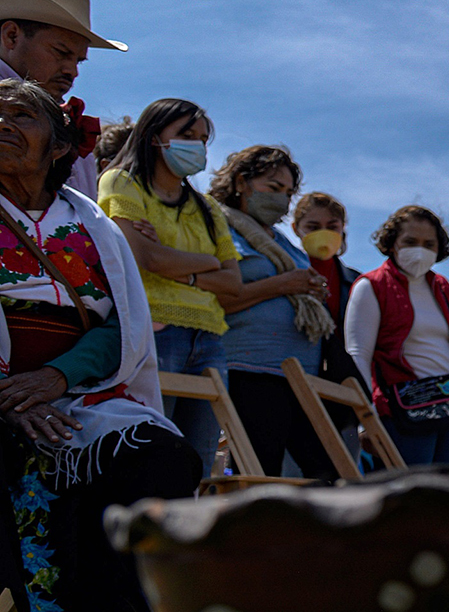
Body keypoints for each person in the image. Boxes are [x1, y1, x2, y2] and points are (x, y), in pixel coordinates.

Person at [0, 79, 199, 612]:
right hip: (7, 393)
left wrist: (55, 380)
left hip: (78, 387)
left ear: (59, 146)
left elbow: (126, 326)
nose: (3, 124)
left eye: (20, 115)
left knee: (155, 453)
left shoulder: (91, 226)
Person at [97, 99, 240, 474]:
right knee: (152, 457)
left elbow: (233, 284)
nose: (198, 146)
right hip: (153, 333)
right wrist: (208, 262)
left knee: (199, 461)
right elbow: (146, 259)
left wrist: (179, 264)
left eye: (203, 139)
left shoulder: (208, 208)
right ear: (153, 136)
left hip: (209, 341)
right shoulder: (120, 181)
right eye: (186, 135)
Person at [208, 146, 335, 479]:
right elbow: (215, 300)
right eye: (273, 187)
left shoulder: (283, 241)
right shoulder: (217, 227)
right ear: (241, 182)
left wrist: (310, 289)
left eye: (288, 192)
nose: (282, 199)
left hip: (300, 377)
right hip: (249, 371)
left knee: (325, 475)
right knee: (261, 475)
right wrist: (283, 285)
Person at [345, 205, 449, 467]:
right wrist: (366, 418)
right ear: (392, 243)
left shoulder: (442, 287)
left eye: (428, 244)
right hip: (401, 415)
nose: (420, 250)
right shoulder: (371, 287)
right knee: (411, 497)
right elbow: (358, 355)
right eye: (410, 241)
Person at [0, 0, 124, 199]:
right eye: (60, 52)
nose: (72, 71)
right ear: (11, 36)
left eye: (78, 61)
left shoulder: (68, 121)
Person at [292, 191, 364, 459]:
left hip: (343, 395)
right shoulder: (285, 274)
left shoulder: (357, 283)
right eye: (313, 227)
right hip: (294, 387)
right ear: (296, 229)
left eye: (332, 227)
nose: (323, 233)